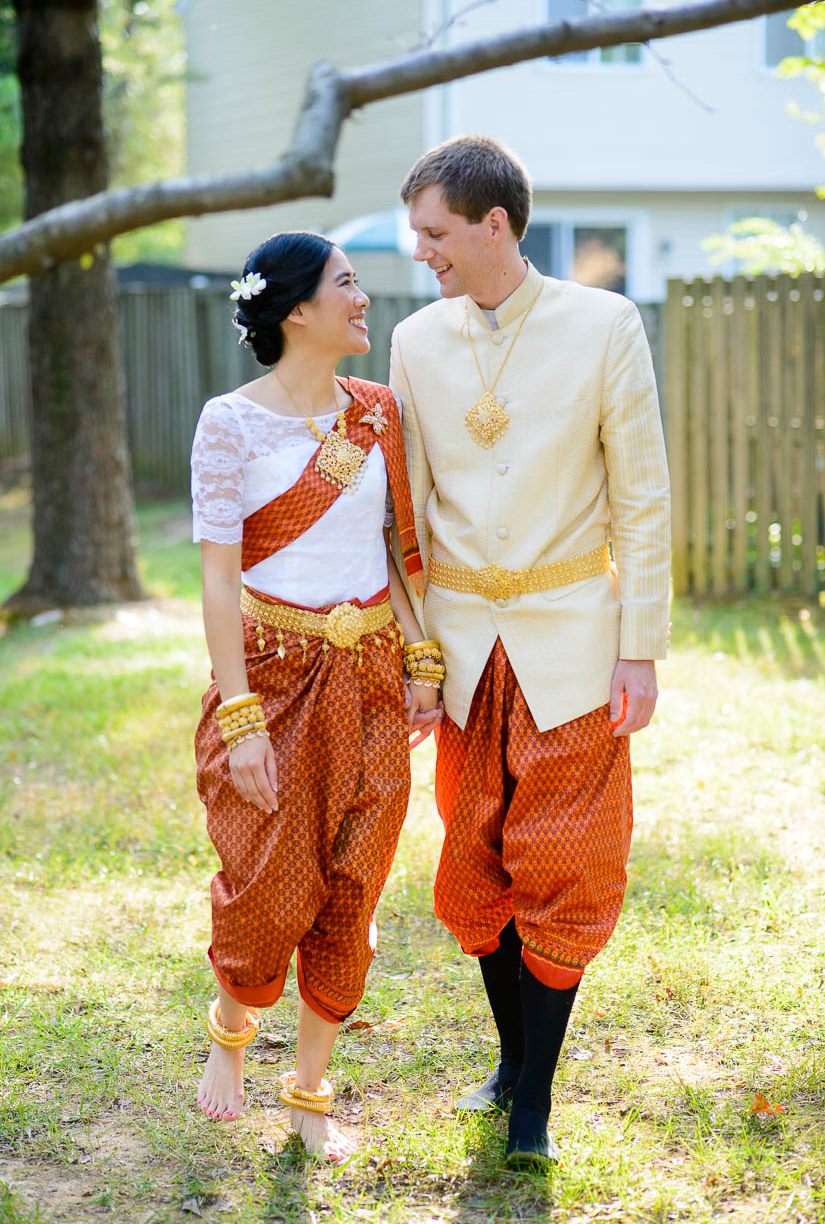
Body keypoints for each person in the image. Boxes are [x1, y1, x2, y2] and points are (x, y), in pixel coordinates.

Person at [388, 136, 671, 1167]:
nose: (420, 251)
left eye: (435, 232)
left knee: (565, 866)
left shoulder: (605, 324)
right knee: (474, 868)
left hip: (573, 646)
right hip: (463, 654)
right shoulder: (417, 340)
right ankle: (512, 1063)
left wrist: (640, 647)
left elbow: (642, 495)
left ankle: (534, 1108)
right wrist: (417, 657)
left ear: (493, 224)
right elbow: (406, 515)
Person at [190, 231, 442, 1161]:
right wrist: (241, 715)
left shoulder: (376, 412)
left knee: (352, 884)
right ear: (298, 311)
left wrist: (418, 660)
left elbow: (392, 547)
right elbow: (218, 580)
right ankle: (229, 1033)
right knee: (264, 881)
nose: (364, 297)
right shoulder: (231, 421)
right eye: (347, 284)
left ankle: (309, 1091)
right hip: (275, 673)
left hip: (371, 677)